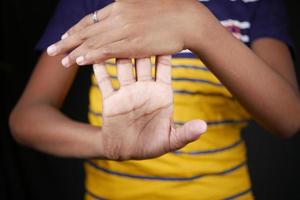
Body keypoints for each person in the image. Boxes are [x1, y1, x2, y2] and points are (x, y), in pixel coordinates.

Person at [10, 0, 300, 199]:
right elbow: (27, 117)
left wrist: (197, 26)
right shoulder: (97, 3)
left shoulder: (252, 4)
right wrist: (105, 144)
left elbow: (288, 118)